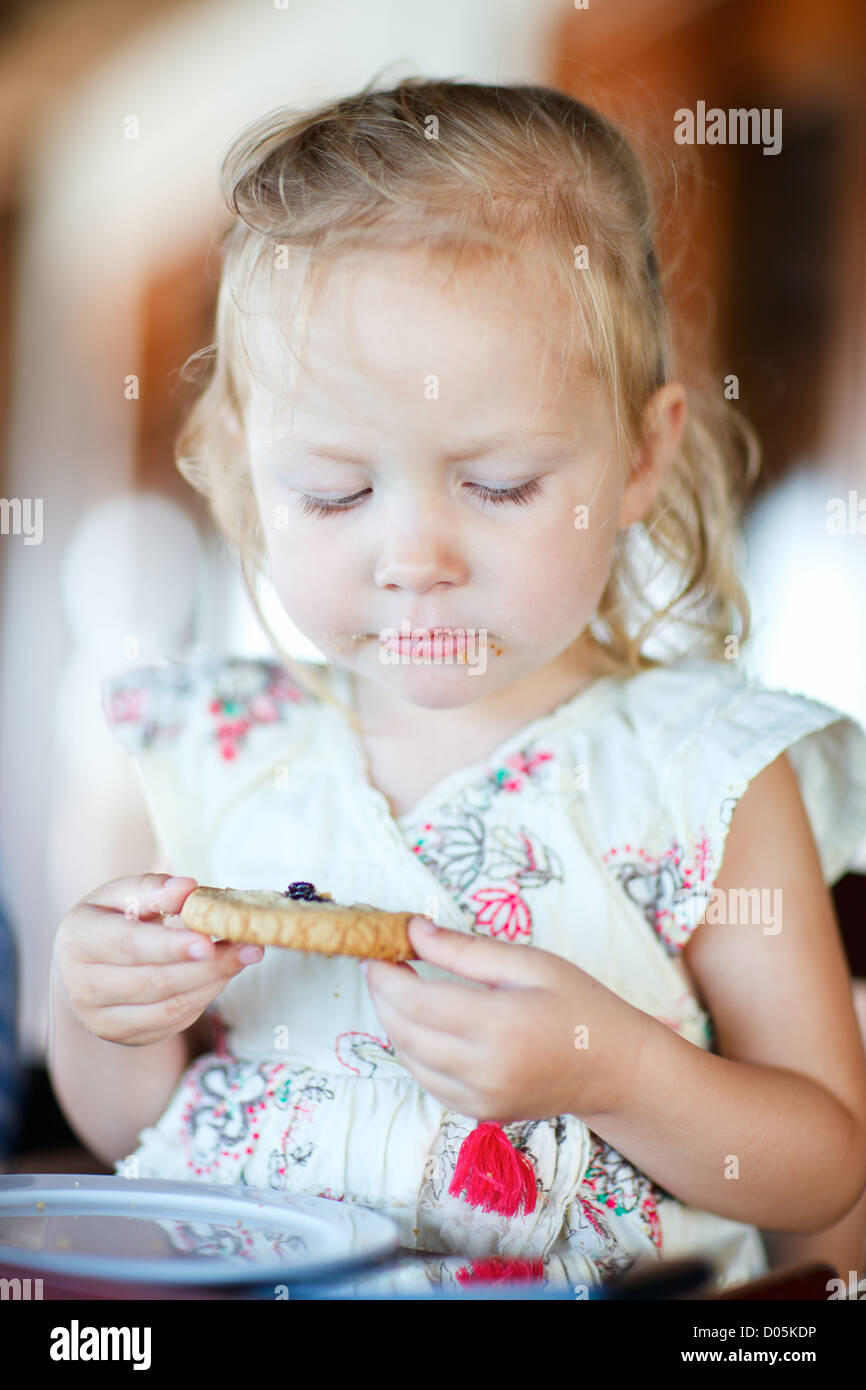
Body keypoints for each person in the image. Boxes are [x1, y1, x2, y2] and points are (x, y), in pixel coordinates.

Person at [47, 78, 866, 1294]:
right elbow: (130, 1136)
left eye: (496, 484)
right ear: (243, 470)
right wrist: (103, 1008)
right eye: (332, 492)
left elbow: (818, 1172)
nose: (414, 558)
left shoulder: (703, 778)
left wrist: (610, 1070)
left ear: (639, 456)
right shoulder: (203, 751)